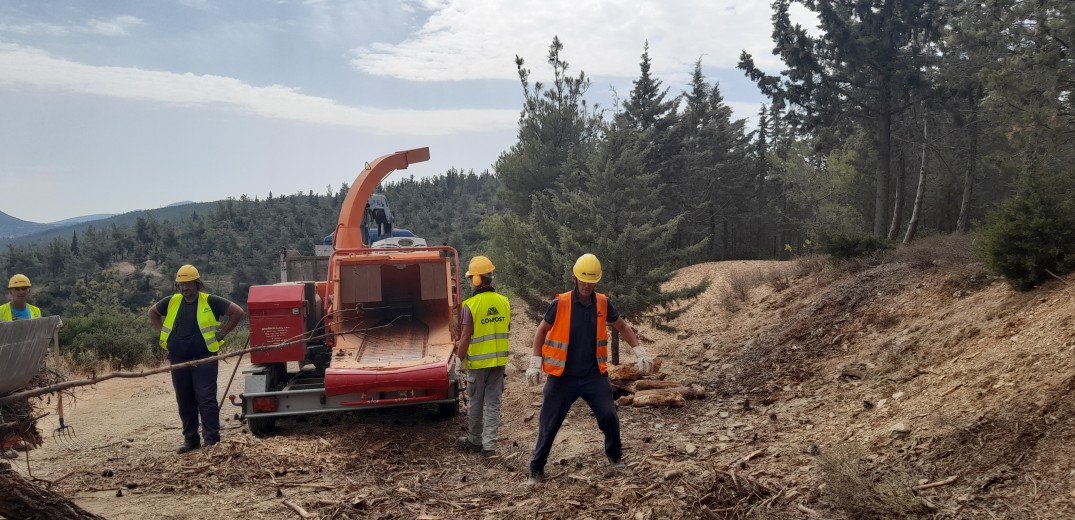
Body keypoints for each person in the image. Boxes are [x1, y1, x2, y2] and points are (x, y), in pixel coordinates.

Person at [525, 253, 654, 486]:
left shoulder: (603, 303)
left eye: (591, 280)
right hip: (562, 377)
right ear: (574, 277)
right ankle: (536, 469)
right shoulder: (561, 303)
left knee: (608, 415)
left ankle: (615, 458)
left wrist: (639, 351)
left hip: (593, 375)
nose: (586, 285)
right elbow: (541, 331)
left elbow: (622, 326)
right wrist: (535, 362)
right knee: (549, 423)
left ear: (597, 281)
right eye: (583, 279)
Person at [149, 264, 244, 454]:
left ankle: (212, 441)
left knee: (206, 399)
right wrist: (164, 335)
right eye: (181, 285)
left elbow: (237, 312)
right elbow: (153, 312)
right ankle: (191, 440)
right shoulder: (172, 301)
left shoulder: (210, 301)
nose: (185, 289)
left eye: (188, 285)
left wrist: (221, 334)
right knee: (184, 399)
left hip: (204, 357)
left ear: (198, 284)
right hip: (179, 358)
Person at [454, 255, 511, 456]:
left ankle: (475, 440)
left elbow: (466, 336)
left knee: (476, 403)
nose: (470, 282)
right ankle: (490, 446)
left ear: (477, 280)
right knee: (494, 404)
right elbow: (505, 328)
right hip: (499, 363)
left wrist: (458, 360)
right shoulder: (504, 302)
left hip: (478, 365)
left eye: (471, 278)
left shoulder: (471, 305)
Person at [1, 273, 42, 458]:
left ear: (29, 291)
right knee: (4, 403)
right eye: (17, 288)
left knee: (20, 402)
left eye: (24, 288)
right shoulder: (1, 311)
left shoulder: (35, 311)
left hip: (24, 363)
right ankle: (4, 444)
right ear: (10, 291)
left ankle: (15, 440)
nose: (21, 291)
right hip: (4, 363)